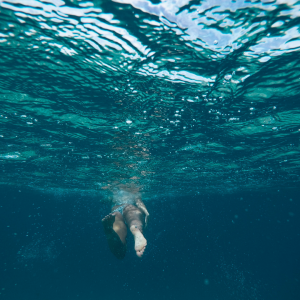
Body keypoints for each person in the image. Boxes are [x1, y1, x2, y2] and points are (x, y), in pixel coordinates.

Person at [102, 189, 149, 259]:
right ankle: (136, 230)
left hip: (116, 210)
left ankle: (110, 231)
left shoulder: (113, 191)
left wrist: (104, 200)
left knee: (119, 253)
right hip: (130, 207)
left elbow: (104, 199)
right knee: (133, 219)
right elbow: (139, 202)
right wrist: (146, 211)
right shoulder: (135, 189)